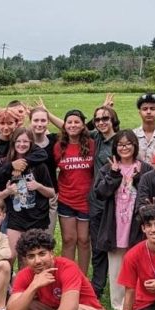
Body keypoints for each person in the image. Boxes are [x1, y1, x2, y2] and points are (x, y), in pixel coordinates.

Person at [92, 131, 153, 310]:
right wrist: (113, 175)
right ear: (115, 148)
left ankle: (138, 300)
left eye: (128, 144)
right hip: (115, 222)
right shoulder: (108, 167)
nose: (124, 148)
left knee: (138, 260)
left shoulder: (145, 168)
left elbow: (149, 193)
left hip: (136, 222)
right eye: (120, 145)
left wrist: (137, 178)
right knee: (116, 262)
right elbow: (100, 193)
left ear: (135, 146)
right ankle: (118, 303)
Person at [0, 128, 55, 264]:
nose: (22, 144)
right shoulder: (8, 166)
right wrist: (7, 192)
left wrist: (38, 186)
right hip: (16, 217)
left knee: (28, 260)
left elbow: (51, 192)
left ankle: (27, 285)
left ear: (31, 144)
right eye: (18, 141)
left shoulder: (39, 166)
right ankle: (9, 283)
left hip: (37, 218)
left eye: (25, 141)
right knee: (10, 255)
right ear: (13, 143)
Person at [53, 110, 95, 274]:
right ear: (64, 125)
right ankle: (68, 276)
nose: (73, 125)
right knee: (69, 239)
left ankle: (82, 278)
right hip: (66, 199)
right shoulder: (58, 146)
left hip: (86, 200)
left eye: (76, 122)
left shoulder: (92, 144)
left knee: (84, 240)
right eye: (69, 122)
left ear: (83, 125)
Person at [87, 103, 121, 298]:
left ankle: (121, 286)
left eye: (105, 118)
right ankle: (97, 286)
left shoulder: (121, 140)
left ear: (113, 120)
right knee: (98, 246)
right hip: (97, 201)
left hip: (117, 202)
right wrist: (47, 115)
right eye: (98, 119)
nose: (101, 122)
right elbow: (73, 127)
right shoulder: (97, 138)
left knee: (117, 246)